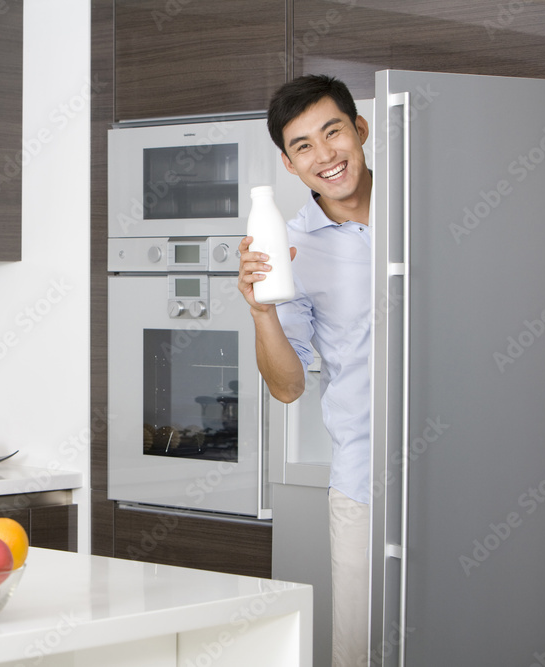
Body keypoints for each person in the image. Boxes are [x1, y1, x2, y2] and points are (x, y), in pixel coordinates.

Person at [237, 74, 372, 667]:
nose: (325, 156)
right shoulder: (290, 250)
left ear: (359, 130)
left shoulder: (424, 202)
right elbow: (287, 387)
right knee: (361, 648)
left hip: (472, 467)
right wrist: (262, 310)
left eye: (333, 131)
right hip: (367, 481)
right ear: (290, 166)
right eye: (303, 146)